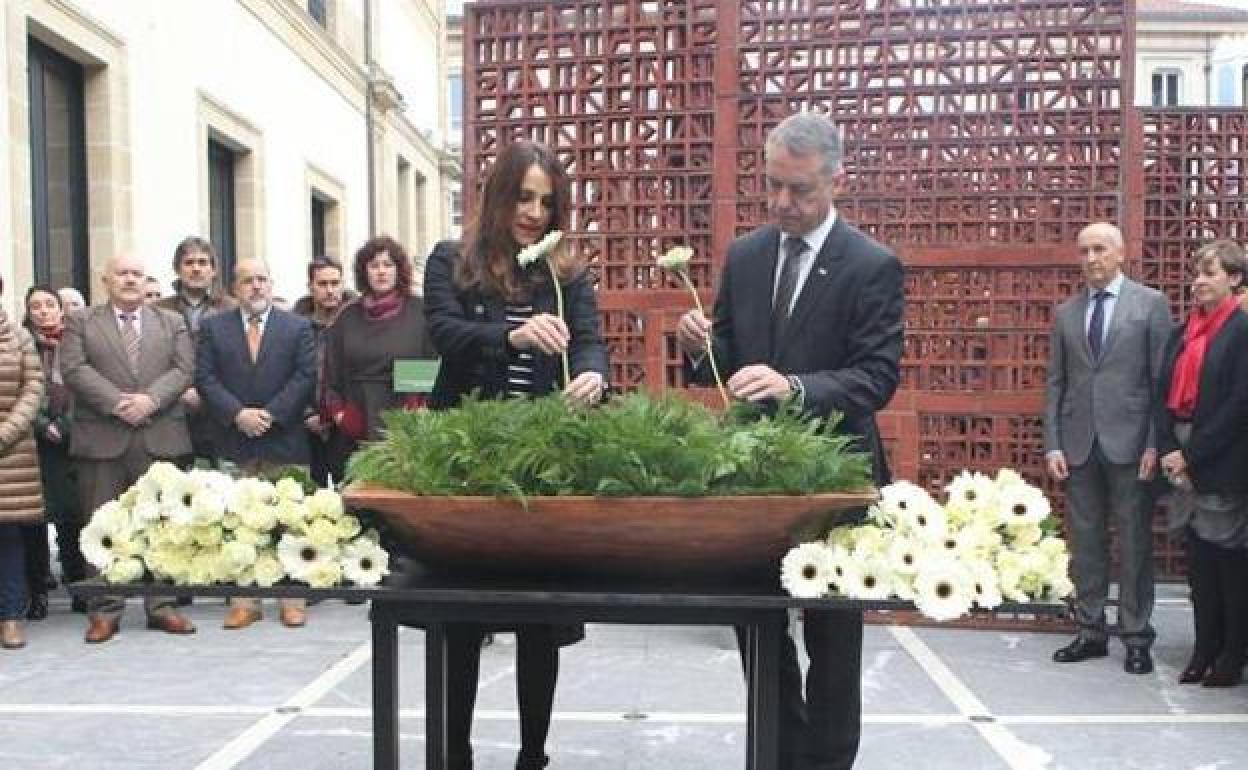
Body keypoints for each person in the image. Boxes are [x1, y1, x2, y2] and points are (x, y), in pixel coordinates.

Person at [675, 112, 903, 770]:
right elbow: (728, 359)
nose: (781, 202)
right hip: (755, 481)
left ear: (837, 180)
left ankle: (827, 762)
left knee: (833, 644)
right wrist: (698, 349)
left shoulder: (872, 265)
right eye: (772, 185)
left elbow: (876, 378)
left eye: (799, 190)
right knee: (760, 630)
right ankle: (777, 755)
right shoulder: (746, 256)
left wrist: (795, 386)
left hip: (835, 481)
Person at [424, 139, 609, 770]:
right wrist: (512, 334)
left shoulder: (564, 271)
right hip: (468, 460)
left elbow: (590, 342)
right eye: (524, 197)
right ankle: (456, 755)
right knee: (462, 620)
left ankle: (533, 756)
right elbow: (445, 333)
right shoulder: (452, 260)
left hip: (544, 459)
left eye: (547, 202)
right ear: (500, 193)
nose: (534, 212)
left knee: (539, 618)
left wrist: (591, 377)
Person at [1043, 222, 1172, 675]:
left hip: (1134, 444)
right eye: (1083, 251)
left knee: (1134, 541)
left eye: (1099, 249)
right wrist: (1052, 443)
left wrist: (1157, 442)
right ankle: (1091, 630)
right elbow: (1056, 383)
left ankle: (1136, 635)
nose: (1091, 258)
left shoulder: (1151, 305)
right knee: (1087, 542)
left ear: (1120, 254)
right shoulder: (1066, 313)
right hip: (1079, 445)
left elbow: (1162, 384)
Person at [61, 253, 197, 643]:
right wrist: (119, 402)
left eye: (137, 274)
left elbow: (184, 369)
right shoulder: (81, 321)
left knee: (163, 524)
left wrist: (150, 401)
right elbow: (74, 368)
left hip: (158, 436)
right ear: (105, 279)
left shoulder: (171, 322)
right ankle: (104, 609)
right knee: (102, 526)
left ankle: (163, 605)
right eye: (122, 273)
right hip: (103, 437)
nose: (130, 280)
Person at [196, 258, 317, 629]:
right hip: (235, 439)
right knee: (237, 522)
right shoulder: (213, 328)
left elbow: (306, 375)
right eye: (248, 281)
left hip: (285, 439)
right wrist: (238, 415)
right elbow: (205, 377)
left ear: (272, 283)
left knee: (291, 520)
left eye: (262, 279)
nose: (256, 287)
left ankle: (292, 599)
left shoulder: (296, 327)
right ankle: (244, 601)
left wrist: (270, 415)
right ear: (234, 288)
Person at [1156, 240, 1248, 687]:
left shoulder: (1241, 330)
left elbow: (1239, 403)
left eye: (1210, 272)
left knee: (1227, 562)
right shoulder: (1183, 332)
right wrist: (1168, 447)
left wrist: (1191, 454)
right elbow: (1162, 395)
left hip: (1221, 458)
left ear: (1234, 278)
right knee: (1199, 563)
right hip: (1181, 452)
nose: (1199, 280)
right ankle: (1202, 648)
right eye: (1197, 271)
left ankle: (1231, 655)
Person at [321, 236, 435, 474]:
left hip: (406, 419)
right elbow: (331, 372)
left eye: (388, 265)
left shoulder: (419, 311)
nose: (381, 272)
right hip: (357, 418)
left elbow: (431, 360)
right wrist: (341, 415)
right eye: (374, 266)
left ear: (399, 269)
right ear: (364, 272)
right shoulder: (347, 316)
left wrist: (417, 409)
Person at [23, 286, 89, 617]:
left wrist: (64, 424)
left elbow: (86, 386)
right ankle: (37, 591)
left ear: (61, 310)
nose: (44, 311)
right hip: (31, 444)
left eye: (50, 305)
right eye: (36, 307)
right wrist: (40, 424)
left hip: (72, 441)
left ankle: (78, 585)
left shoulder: (75, 344)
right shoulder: (21, 346)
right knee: (33, 519)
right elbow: (19, 390)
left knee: (70, 516)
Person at [156, 236, 235, 467]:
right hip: (172, 412)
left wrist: (209, 394)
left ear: (213, 270)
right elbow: (154, 359)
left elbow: (237, 360)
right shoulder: (159, 310)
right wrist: (179, 390)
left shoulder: (231, 309)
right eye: (189, 263)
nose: (196, 269)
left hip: (220, 413)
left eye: (203, 262)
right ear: (177, 269)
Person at [0, 272, 46, 651]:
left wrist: (5, 432)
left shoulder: (18, 336)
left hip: (10, 454)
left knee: (9, 539)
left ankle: (11, 618)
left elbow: (33, 389)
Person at [292, 256, 355, 486]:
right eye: (322, 284)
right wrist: (306, 414)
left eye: (335, 283)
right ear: (310, 287)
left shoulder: (358, 323)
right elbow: (286, 374)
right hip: (304, 425)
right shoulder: (293, 327)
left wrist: (342, 414)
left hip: (348, 424)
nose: (330, 290)